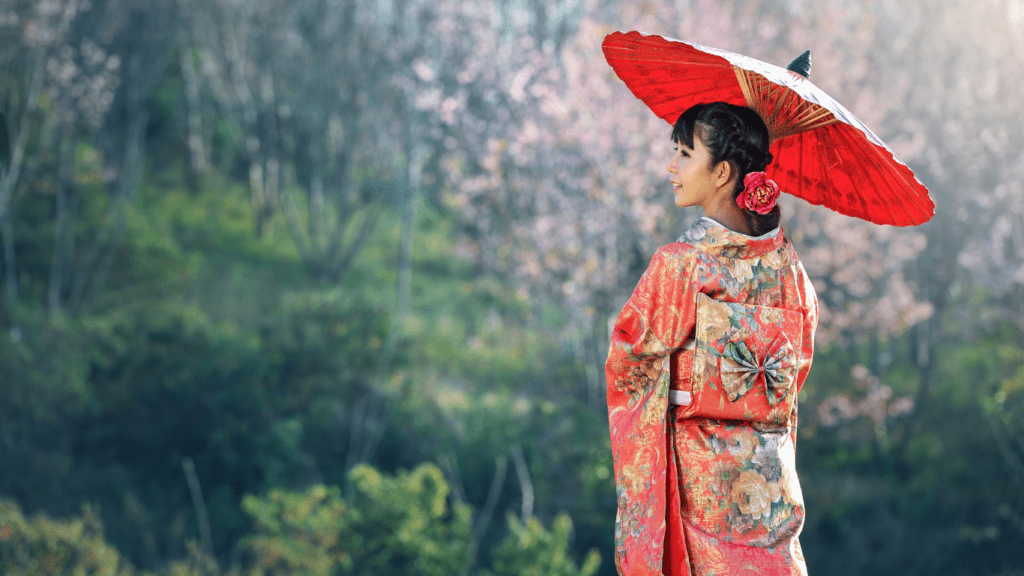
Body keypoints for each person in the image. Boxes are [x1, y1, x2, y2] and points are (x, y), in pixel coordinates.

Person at [606, 102, 818, 576]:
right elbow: (793, 370)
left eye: (684, 153)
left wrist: (685, 386)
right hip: (768, 483)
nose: (671, 167)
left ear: (722, 172)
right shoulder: (789, 269)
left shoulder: (683, 264)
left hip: (702, 483)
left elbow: (630, 360)